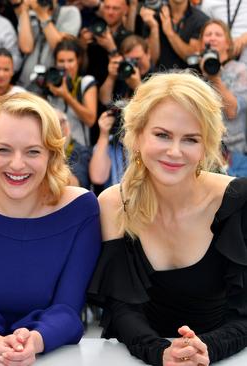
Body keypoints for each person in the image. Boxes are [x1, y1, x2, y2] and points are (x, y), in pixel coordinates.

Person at [87, 72, 247, 366]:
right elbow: (122, 309)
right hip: (138, 358)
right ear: (136, 136)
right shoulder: (114, 204)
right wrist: (160, 352)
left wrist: (209, 348)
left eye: (190, 139)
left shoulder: (237, 201)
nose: (175, 152)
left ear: (206, 145)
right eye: (162, 135)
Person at [0, 93, 101, 364]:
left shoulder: (81, 209)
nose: (17, 164)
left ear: (51, 154)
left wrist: (32, 343)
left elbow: (68, 310)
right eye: (3, 149)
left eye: (33, 151)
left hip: (49, 356)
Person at [198, 20, 247, 177]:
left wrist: (215, 78)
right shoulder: (194, 73)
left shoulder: (240, 70)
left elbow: (233, 111)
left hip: (234, 155)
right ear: (201, 43)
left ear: (228, 43)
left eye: (218, 34)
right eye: (208, 34)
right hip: (203, 153)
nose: (212, 38)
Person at [47, 37, 98, 147]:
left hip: (78, 151)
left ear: (78, 61)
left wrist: (66, 96)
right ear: (55, 62)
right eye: (61, 61)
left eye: (70, 61)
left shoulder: (85, 82)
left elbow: (90, 120)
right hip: (52, 147)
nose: (66, 66)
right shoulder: (49, 84)